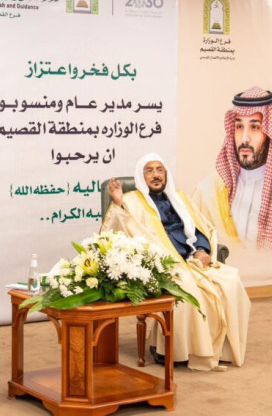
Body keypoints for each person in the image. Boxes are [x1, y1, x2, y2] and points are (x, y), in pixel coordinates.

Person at [101, 153, 250, 371]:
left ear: (166, 174)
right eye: (149, 171)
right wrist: (118, 203)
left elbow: (200, 227)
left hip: (191, 258)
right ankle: (175, 351)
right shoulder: (131, 201)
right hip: (164, 263)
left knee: (231, 280)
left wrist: (202, 250)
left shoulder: (180, 198)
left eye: (159, 170)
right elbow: (119, 232)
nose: (155, 175)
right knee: (188, 288)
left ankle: (222, 349)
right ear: (142, 176)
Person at [193, 87, 272, 249]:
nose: (244, 139)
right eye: (239, 127)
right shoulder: (207, 191)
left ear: (269, 134)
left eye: (255, 127)